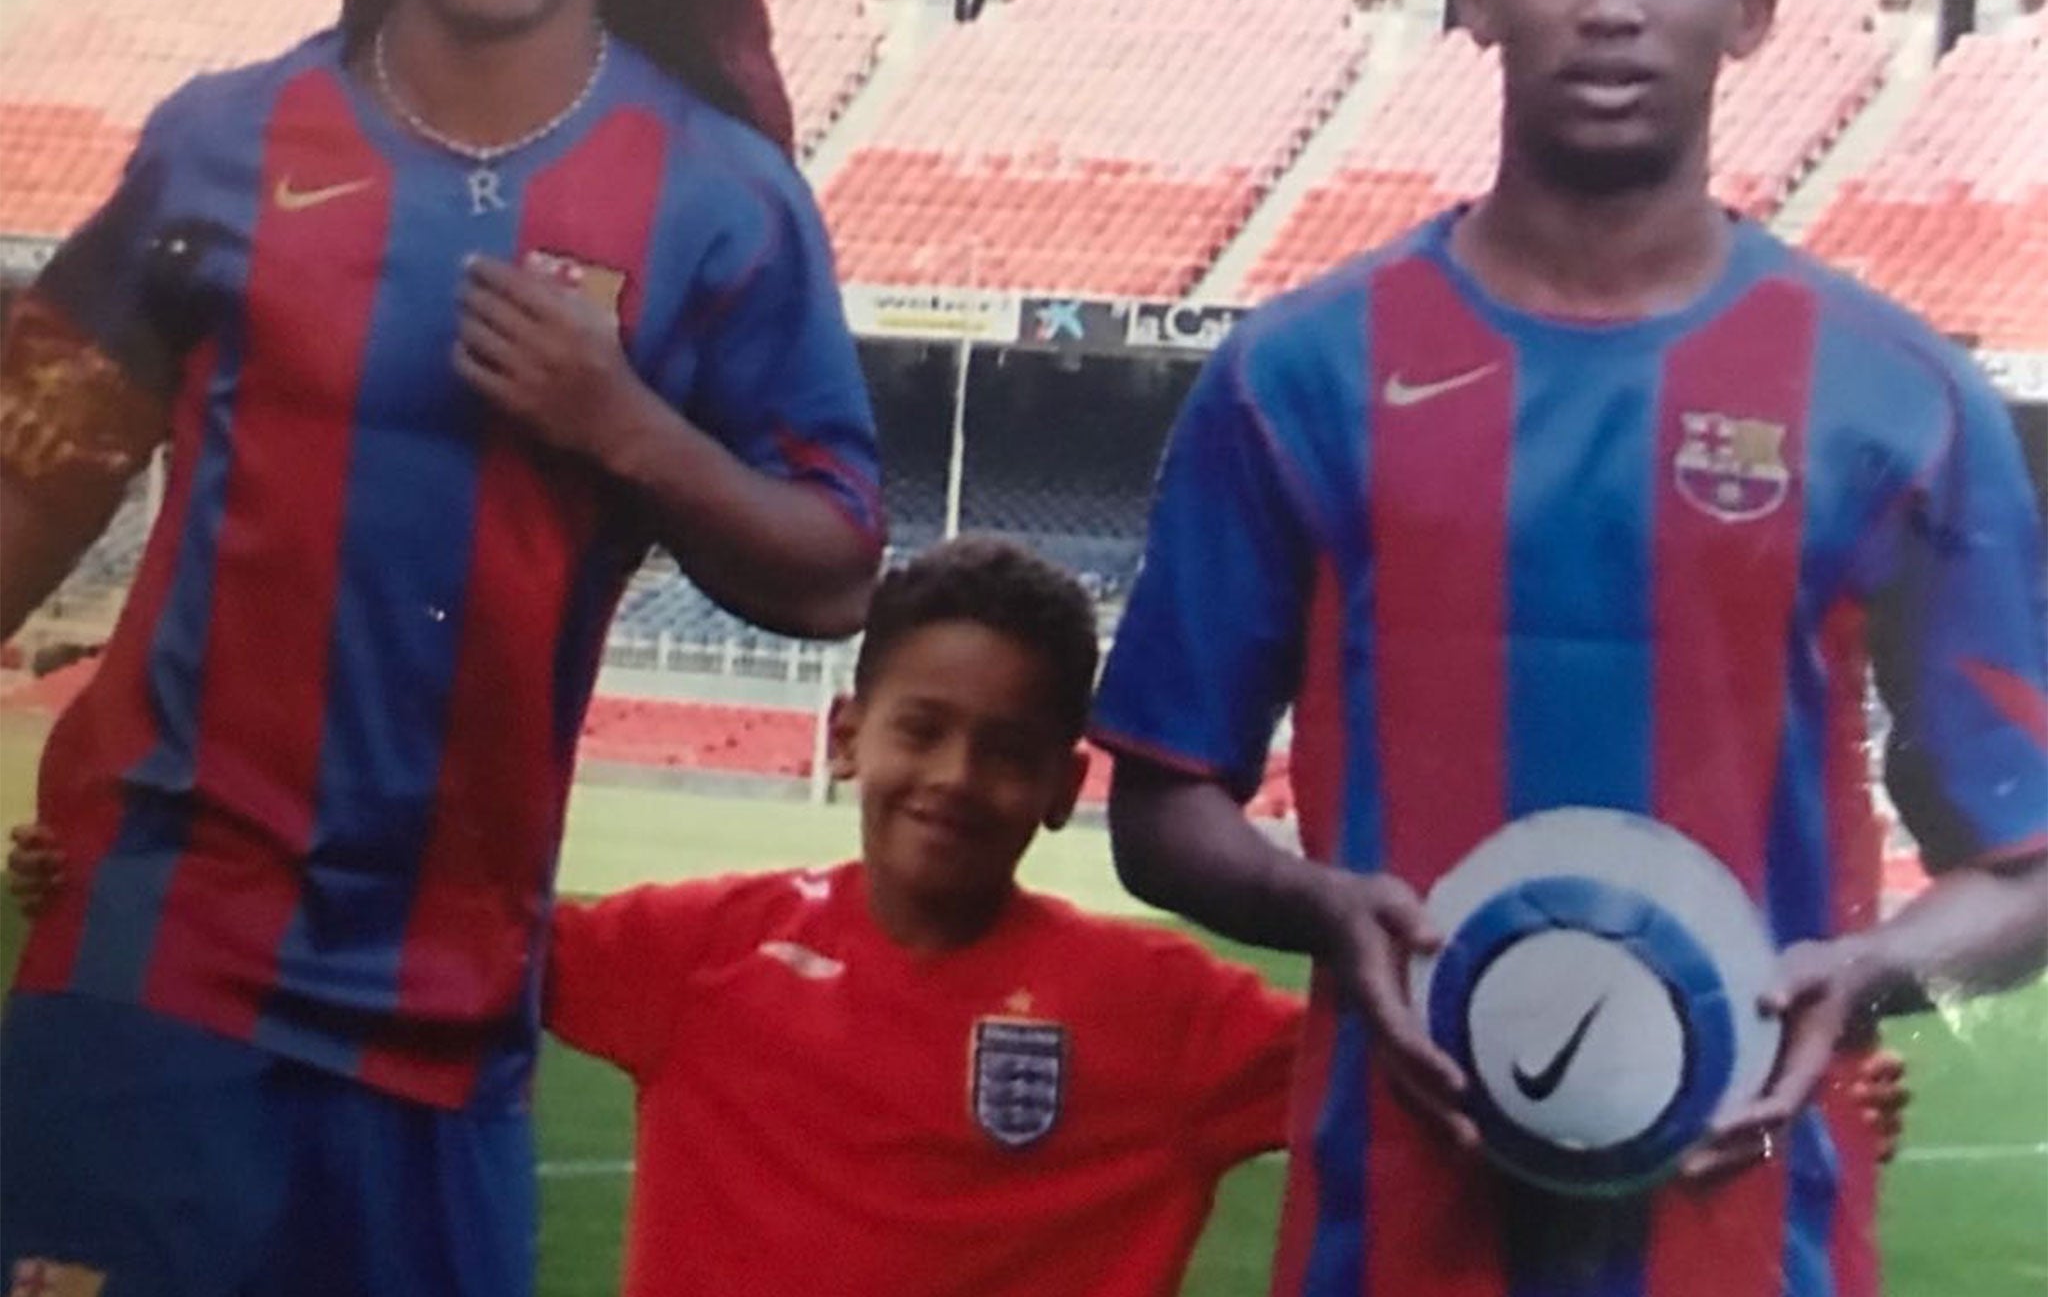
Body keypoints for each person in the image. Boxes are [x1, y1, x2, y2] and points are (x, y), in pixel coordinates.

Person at [5, 540, 1918, 1295]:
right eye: (921, 730)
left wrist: (1763, 1109)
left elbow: (1471, 1100)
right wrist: (124, 888)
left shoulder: (1157, 1010)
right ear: (848, 737)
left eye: (1010, 750)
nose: (956, 779)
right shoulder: (697, 948)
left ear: (1066, 782)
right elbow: (375, 970)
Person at [1093, 0, 2048, 1297]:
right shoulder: (1298, 373)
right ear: (1477, 4)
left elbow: (2027, 868)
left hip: (1759, 1238)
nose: (1613, 8)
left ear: (1750, 15)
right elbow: (1162, 805)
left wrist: (1871, 972)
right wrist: (1318, 909)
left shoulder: (1901, 399)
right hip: (1387, 1230)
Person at [0, 0, 880, 1289]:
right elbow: (32, 475)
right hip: (155, 944)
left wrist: (629, 431)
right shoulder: (218, 143)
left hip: (450, 995)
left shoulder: (727, 202)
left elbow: (836, 568)